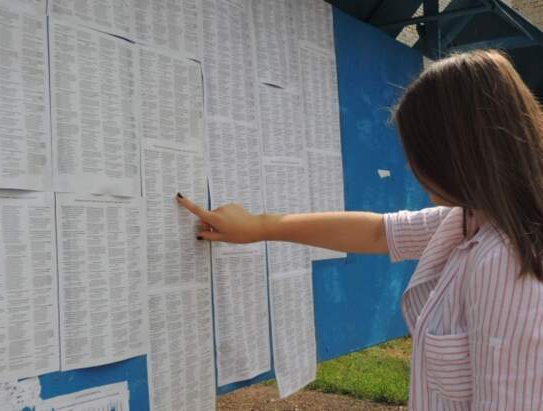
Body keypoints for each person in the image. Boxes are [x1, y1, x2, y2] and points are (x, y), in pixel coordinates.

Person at [176, 50, 543, 410]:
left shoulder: (505, 262)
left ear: (457, 153)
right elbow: (377, 232)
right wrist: (258, 226)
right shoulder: (468, 220)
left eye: (418, 152)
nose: (411, 165)